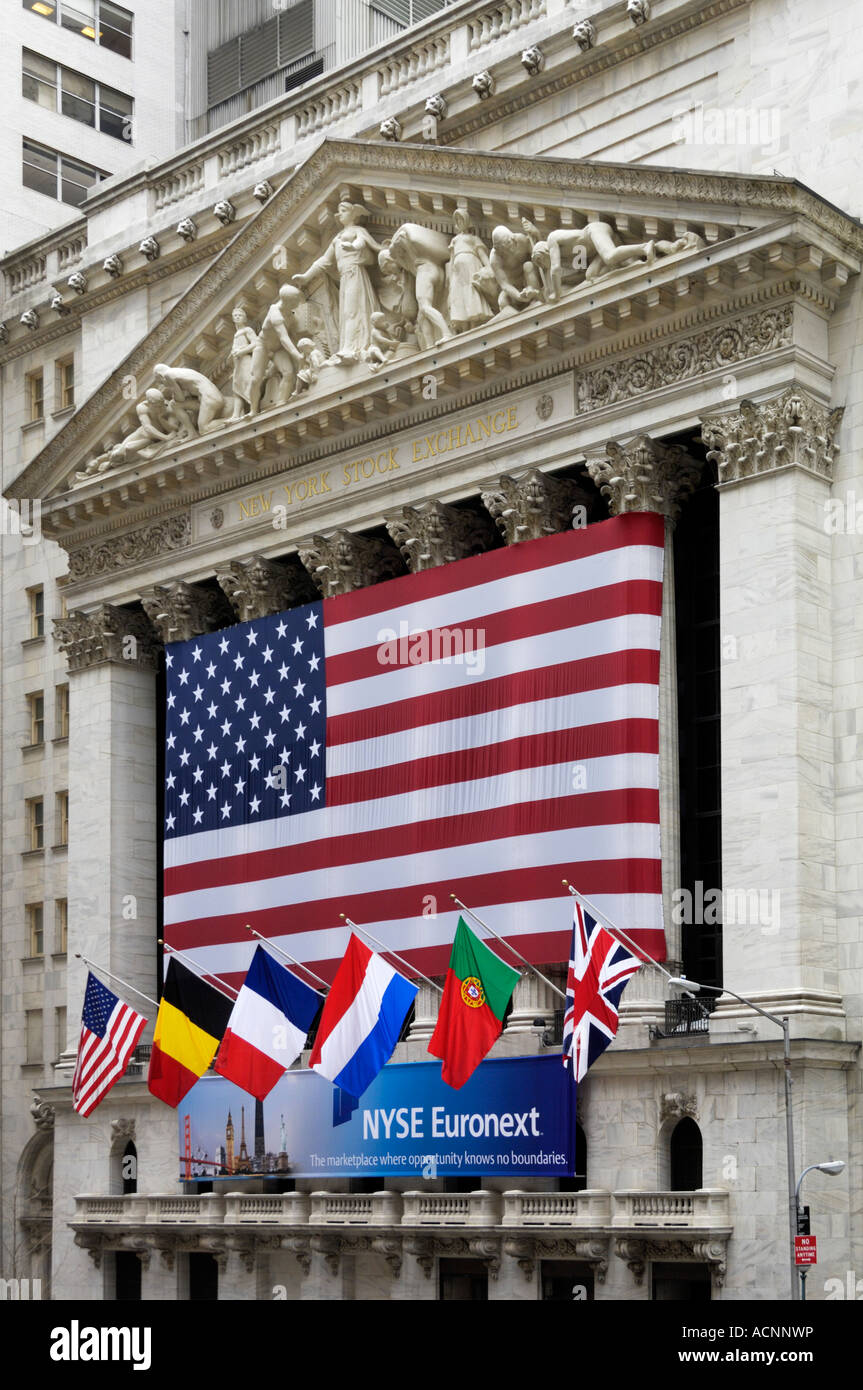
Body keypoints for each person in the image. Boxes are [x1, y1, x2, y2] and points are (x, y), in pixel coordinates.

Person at [292, 201, 384, 364]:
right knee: (346, 312)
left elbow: (363, 243)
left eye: (343, 211)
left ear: (353, 214)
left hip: (354, 272)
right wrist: (306, 276)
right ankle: (348, 346)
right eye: (339, 212)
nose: (339, 214)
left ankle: (353, 348)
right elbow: (324, 260)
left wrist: (353, 247)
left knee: (352, 310)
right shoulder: (337, 239)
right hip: (345, 277)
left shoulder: (358, 230)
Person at [247, 285, 304, 412]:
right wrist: (297, 355)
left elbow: (292, 336)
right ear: (288, 301)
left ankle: (281, 403)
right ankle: (252, 410)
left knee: (288, 372)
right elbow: (283, 337)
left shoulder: (290, 313)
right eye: (296, 301)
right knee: (256, 379)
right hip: (263, 346)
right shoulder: (275, 312)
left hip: (278, 349)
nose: (298, 303)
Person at [446, 209, 494, 330]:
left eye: (461, 219)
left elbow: (482, 254)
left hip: (471, 266)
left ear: (466, 221)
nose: (459, 222)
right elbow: (451, 259)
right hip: (458, 271)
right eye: (457, 220)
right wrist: (450, 276)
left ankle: (474, 323)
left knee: (471, 292)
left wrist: (489, 267)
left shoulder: (473, 238)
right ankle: (464, 327)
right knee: (459, 294)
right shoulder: (455, 240)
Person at [153, 364, 226, 435]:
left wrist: (174, 395)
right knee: (174, 404)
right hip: (210, 397)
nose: (164, 385)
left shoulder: (167, 374)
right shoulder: (180, 371)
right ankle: (192, 433)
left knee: (204, 429)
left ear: (160, 375)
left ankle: (230, 418)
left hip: (209, 398)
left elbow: (180, 398)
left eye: (161, 382)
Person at [228, 303, 258, 419]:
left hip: (246, 360)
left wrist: (242, 351)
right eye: (235, 315)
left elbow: (256, 343)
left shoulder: (247, 330)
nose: (237, 317)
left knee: (248, 382)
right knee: (236, 387)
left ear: (245, 318)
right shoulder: (236, 334)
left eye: (240, 315)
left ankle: (253, 408)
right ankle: (235, 414)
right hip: (238, 364)